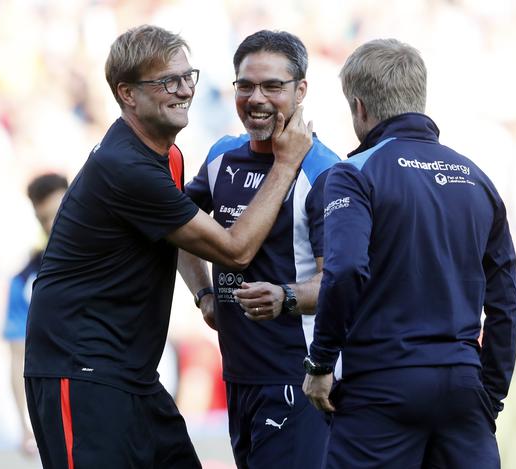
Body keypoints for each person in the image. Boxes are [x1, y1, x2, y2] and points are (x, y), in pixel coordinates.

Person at [24, 25, 313, 469]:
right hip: (79, 372)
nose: (183, 91)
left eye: (187, 77)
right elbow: (235, 250)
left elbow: (181, 231)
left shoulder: (166, 155)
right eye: (167, 82)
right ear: (127, 94)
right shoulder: (127, 167)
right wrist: (287, 162)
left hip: (132, 375)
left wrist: (203, 293)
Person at [302, 38, 516, 468]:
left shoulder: (353, 173)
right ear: (418, 97)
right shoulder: (475, 178)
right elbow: (507, 303)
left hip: (381, 387)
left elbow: (344, 270)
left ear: (360, 108)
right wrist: (488, 395)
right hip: (462, 387)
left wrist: (321, 361)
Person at [179, 30, 340, 469]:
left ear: (301, 90)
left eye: (273, 86)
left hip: (298, 378)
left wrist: (285, 297)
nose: (257, 98)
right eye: (245, 85)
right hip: (237, 374)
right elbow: (174, 228)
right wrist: (203, 294)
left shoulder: (326, 171)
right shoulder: (221, 157)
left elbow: (341, 283)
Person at [4, 173, 68, 455]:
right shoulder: (25, 279)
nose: (52, 224)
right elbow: (18, 353)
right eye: (44, 218)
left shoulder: (110, 257)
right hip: (57, 402)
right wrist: (24, 426)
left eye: (59, 213)